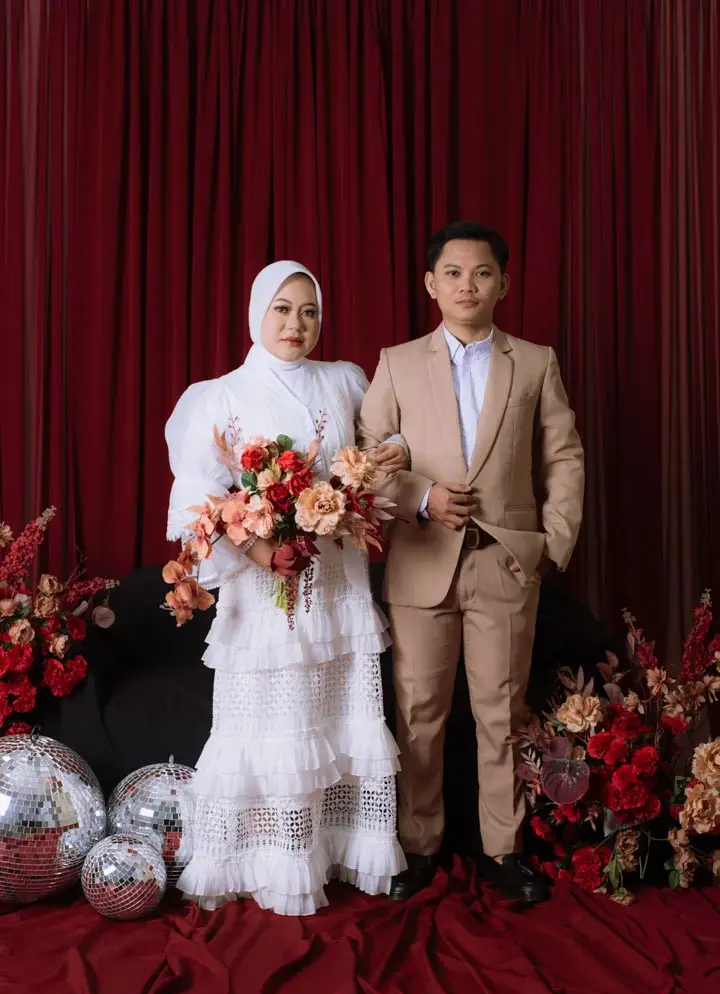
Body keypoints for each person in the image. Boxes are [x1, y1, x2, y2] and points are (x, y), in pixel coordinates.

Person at [165, 260, 407, 915]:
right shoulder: (222, 396)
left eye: (309, 311)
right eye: (282, 308)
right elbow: (199, 499)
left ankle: (337, 848)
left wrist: (372, 475)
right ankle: (272, 857)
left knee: (335, 711)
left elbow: (379, 452)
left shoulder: (346, 380)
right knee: (275, 719)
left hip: (334, 580)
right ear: (256, 313)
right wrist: (263, 549)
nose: (296, 323)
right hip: (263, 587)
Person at [358, 221, 585, 904]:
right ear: (431, 284)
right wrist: (421, 497)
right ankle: (418, 846)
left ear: (503, 284)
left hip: (505, 564)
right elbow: (364, 460)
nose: (467, 285)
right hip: (421, 562)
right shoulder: (397, 363)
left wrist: (552, 542)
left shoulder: (535, 362)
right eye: (453, 273)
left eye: (482, 273)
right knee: (418, 714)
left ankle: (504, 851)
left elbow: (563, 456)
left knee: (502, 714)